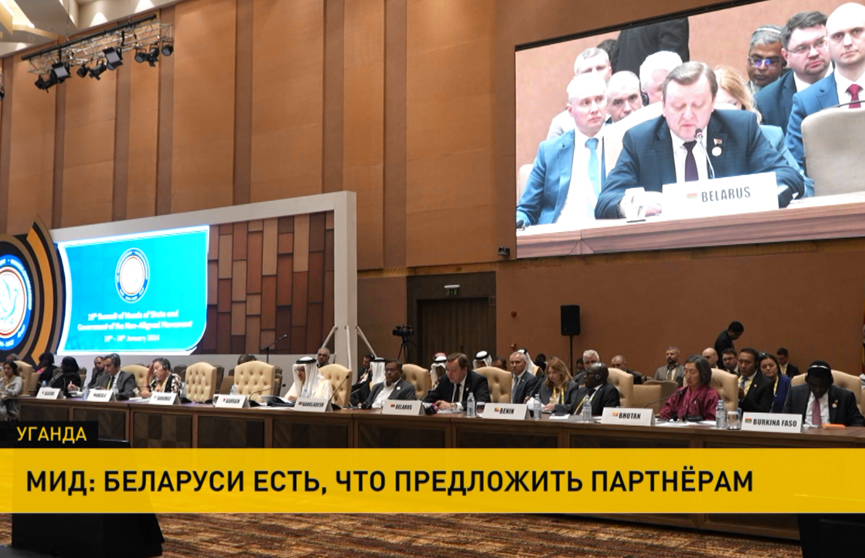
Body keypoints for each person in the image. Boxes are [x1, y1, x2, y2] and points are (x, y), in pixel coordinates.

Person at [595, 62, 805, 220]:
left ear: (712, 103)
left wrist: (750, 194)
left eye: (697, 105)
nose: (688, 115)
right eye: (678, 106)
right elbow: (605, 201)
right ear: (664, 106)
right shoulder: (640, 140)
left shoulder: (741, 129)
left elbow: (790, 178)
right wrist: (635, 203)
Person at [517, 73, 607, 229]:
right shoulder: (549, 151)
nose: (594, 109)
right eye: (585, 103)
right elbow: (526, 209)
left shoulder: (624, 142)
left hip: (612, 234)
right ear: (570, 111)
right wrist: (518, 222)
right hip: (560, 235)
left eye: (599, 100)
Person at [786, 3, 865, 172]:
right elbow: (794, 167)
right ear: (827, 44)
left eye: (856, 32)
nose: (847, 42)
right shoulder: (806, 101)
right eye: (838, 36)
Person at [713, 65, 813, 197]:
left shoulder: (771, 136)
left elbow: (805, 188)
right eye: (718, 108)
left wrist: (768, 190)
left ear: (743, 104)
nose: (726, 113)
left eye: (732, 104)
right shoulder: (696, 141)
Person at [755, 12, 831, 134]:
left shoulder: (853, 75)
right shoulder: (765, 102)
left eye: (820, 43)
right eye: (802, 48)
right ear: (786, 56)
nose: (813, 53)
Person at [547, 48, 613, 138]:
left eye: (600, 68)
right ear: (577, 78)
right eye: (587, 71)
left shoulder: (624, 108)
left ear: (610, 71)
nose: (594, 74)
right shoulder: (561, 123)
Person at [782, 360, 865, 426]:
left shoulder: (845, 397)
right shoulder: (795, 393)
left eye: (822, 386)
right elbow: (784, 420)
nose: (818, 390)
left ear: (830, 382)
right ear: (807, 382)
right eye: (813, 385)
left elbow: (858, 423)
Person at [613, 18, 690, 76]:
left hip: (630, 87)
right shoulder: (672, 14)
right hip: (652, 88)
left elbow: (615, 58)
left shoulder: (634, 15)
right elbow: (675, 70)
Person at [659, 355, 721, 420]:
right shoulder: (680, 392)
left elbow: (712, 421)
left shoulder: (711, 395)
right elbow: (664, 413)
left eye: (692, 372)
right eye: (686, 371)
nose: (688, 376)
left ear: (702, 373)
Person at [422, 353, 491, 411]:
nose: (449, 374)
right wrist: (420, 404)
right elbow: (430, 398)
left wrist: (453, 406)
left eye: (453, 370)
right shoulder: (445, 379)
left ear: (464, 369)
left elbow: (481, 403)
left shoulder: (478, 381)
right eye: (447, 370)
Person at [746, 25, 786, 94]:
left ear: (784, 62)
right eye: (756, 60)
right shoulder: (735, 95)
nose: (762, 67)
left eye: (771, 62)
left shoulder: (795, 94)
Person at [737, 348, 774, 413]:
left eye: (747, 363)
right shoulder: (733, 378)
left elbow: (764, 411)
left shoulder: (765, 383)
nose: (743, 366)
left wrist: (743, 398)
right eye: (740, 362)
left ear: (756, 364)